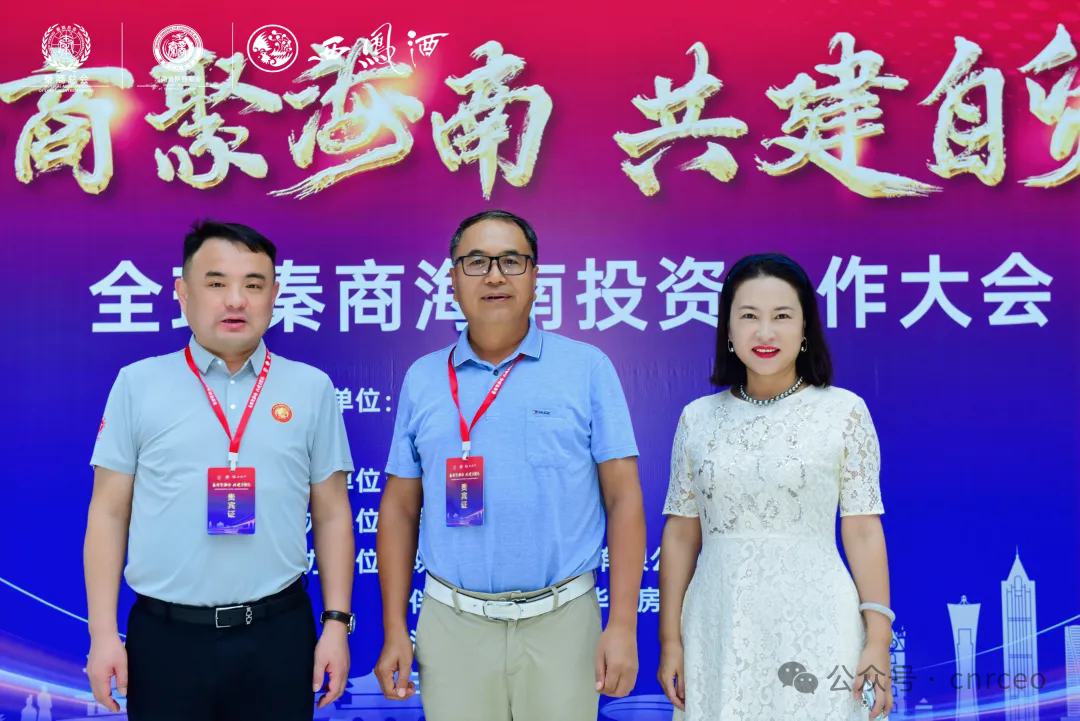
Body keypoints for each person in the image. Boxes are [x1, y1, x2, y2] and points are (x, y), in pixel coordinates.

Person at [374, 210, 646, 721]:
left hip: (563, 621)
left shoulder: (587, 368)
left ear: (535, 274)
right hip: (452, 623)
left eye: (511, 261)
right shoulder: (423, 378)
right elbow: (400, 509)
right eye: (476, 262)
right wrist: (393, 629)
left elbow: (623, 498)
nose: (495, 276)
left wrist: (623, 625)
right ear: (453, 278)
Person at [84, 220, 357, 720]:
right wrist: (103, 634)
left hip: (278, 636)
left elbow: (333, 513)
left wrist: (336, 624)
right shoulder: (138, 384)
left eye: (253, 284)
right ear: (182, 293)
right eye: (216, 283)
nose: (236, 300)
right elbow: (108, 512)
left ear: (274, 295)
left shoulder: (310, 388)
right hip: (166, 640)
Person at [657, 253, 894, 721]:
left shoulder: (844, 412)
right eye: (749, 316)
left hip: (818, 622)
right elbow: (681, 534)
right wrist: (670, 641)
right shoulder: (697, 419)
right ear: (728, 329)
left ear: (805, 328)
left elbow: (863, 530)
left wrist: (878, 640)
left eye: (782, 316)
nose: (765, 333)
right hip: (718, 624)